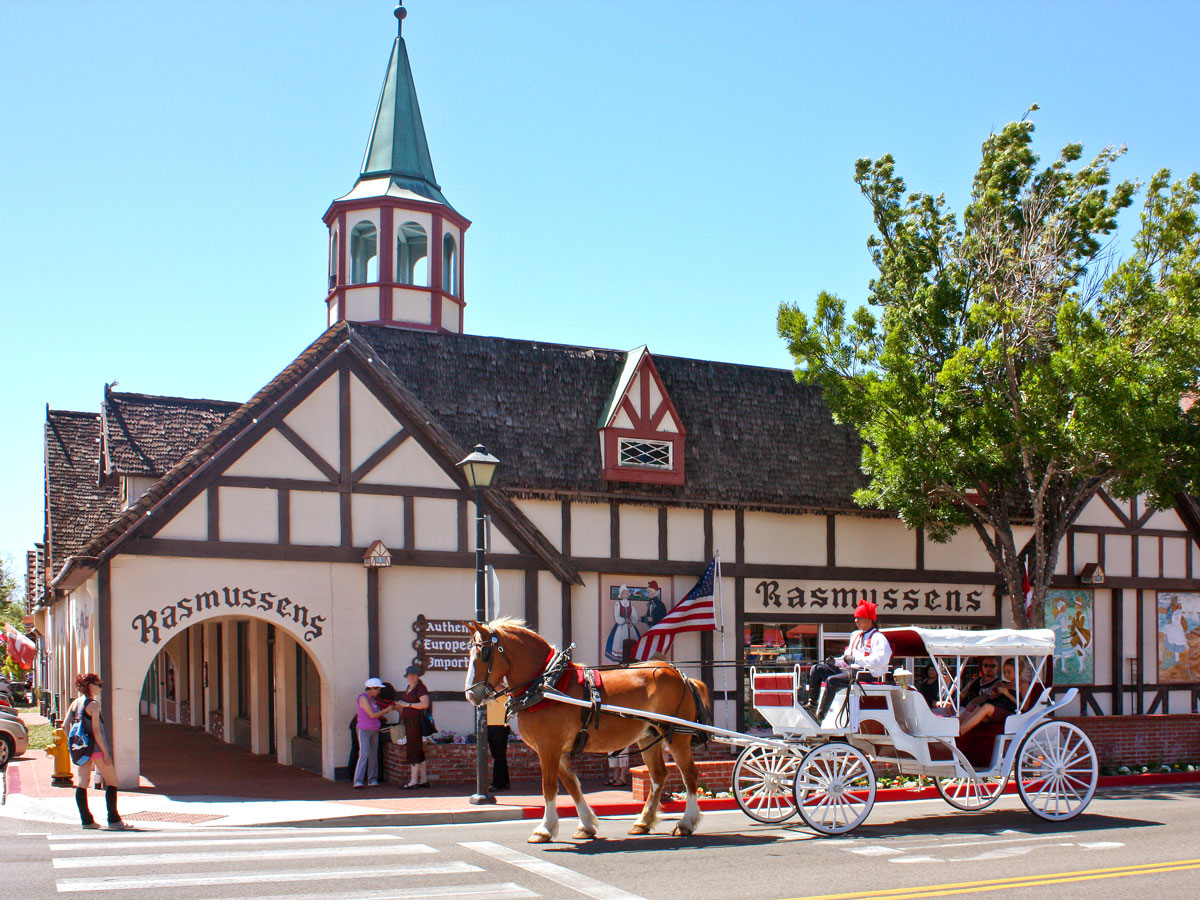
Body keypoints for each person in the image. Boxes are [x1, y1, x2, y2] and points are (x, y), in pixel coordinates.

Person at [804, 601, 892, 722]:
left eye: (859, 618)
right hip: (850, 670)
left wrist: (856, 660)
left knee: (832, 680)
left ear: (869, 619)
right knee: (817, 668)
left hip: (866, 674)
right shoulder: (855, 635)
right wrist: (835, 662)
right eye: (855, 618)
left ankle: (820, 716)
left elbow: (881, 660)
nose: (856, 621)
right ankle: (812, 705)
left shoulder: (879, 638)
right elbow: (846, 659)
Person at [60, 673, 125, 830]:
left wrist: (74, 744)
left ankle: (87, 820)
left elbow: (64, 726)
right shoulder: (93, 705)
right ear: (90, 686)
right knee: (112, 781)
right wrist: (106, 752)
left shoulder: (75, 703)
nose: (100, 688)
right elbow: (96, 731)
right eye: (98, 685)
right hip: (97, 750)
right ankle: (114, 819)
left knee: (82, 782)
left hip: (82, 751)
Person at [960, 659, 1019, 735]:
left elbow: (1024, 707)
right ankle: (958, 728)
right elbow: (993, 698)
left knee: (986, 707)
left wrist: (1007, 694)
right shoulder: (1003, 684)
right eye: (1004, 672)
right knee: (977, 708)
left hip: (1011, 713)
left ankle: (960, 732)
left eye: (1009, 672)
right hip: (999, 707)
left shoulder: (1022, 685)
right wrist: (994, 695)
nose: (1006, 674)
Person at [353, 677, 393, 788]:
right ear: (372, 688)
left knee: (373, 755)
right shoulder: (363, 698)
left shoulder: (373, 700)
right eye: (378, 689)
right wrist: (388, 709)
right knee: (364, 753)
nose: (379, 691)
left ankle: (372, 779)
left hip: (375, 729)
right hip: (364, 729)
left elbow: (376, 714)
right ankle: (358, 780)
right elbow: (372, 714)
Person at [395, 664, 430, 788]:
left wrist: (408, 705)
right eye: (410, 675)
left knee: (413, 749)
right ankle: (423, 780)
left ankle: (413, 781)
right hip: (408, 721)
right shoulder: (409, 688)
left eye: (414, 675)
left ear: (417, 676)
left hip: (415, 721)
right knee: (417, 750)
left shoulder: (420, 688)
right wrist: (401, 706)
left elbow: (424, 704)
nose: (412, 677)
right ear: (407, 676)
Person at [604, 584, 641, 663]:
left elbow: (635, 615)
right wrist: (624, 620)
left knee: (632, 642)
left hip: (630, 627)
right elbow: (617, 616)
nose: (625, 595)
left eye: (626, 593)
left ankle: (630, 659)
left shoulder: (631, 604)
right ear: (621, 595)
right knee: (620, 642)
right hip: (620, 627)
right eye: (624, 593)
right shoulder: (618, 604)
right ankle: (622, 660)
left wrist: (633, 622)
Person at [486, 696, 510, 791]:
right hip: (489, 724)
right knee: (496, 755)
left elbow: (509, 694)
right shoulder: (488, 690)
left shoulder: (504, 687)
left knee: (499, 755)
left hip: (501, 725)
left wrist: (497, 686)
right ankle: (504, 781)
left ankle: (498, 783)